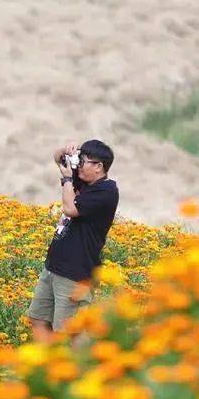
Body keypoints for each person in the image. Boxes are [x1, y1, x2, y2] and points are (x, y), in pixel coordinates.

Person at [26, 139, 119, 342]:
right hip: (54, 267)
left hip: (76, 273)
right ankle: (45, 367)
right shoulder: (84, 179)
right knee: (38, 318)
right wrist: (66, 150)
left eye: (83, 161)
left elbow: (70, 209)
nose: (79, 165)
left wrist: (67, 180)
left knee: (70, 331)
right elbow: (57, 157)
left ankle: (77, 370)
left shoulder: (106, 191)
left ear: (98, 166)